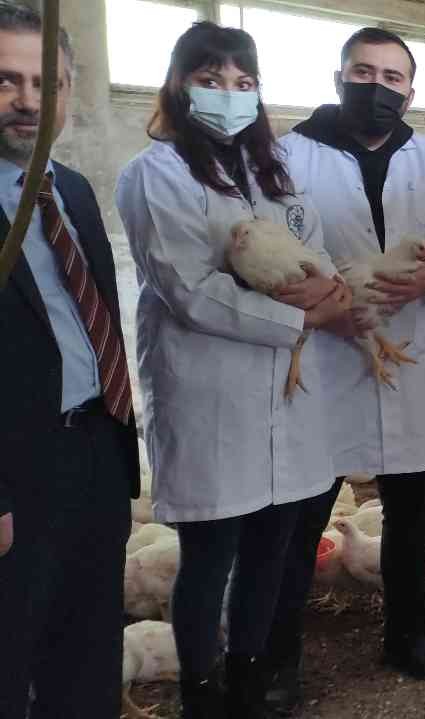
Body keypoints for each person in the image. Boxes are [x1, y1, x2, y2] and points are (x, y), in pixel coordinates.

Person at [116, 22, 350, 718]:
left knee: (270, 550)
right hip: (209, 392)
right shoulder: (154, 175)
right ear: (179, 86)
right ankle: (202, 693)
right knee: (209, 553)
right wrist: (306, 315)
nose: (229, 94)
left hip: (286, 396)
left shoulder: (274, 172)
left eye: (243, 82)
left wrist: (328, 293)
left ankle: (248, 682)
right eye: (211, 79)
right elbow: (191, 290)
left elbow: (316, 252)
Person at [264, 26, 425, 704]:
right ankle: (278, 660)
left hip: (410, 353)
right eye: (364, 72)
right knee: (303, 516)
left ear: (410, 92)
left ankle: (409, 634)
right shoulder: (289, 154)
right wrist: (321, 308)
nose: (377, 87)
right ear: (339, 78)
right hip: (325, 357)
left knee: (411, 509)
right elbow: (271, 251)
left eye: (393, 77)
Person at [0, 8, 140, 718]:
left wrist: (116, 451)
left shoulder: (75, 189)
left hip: (95, 453)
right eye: (7, 81)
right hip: (14, 472)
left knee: (87, 653)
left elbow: (96, 320)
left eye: (45, 83)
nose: (29, 101)